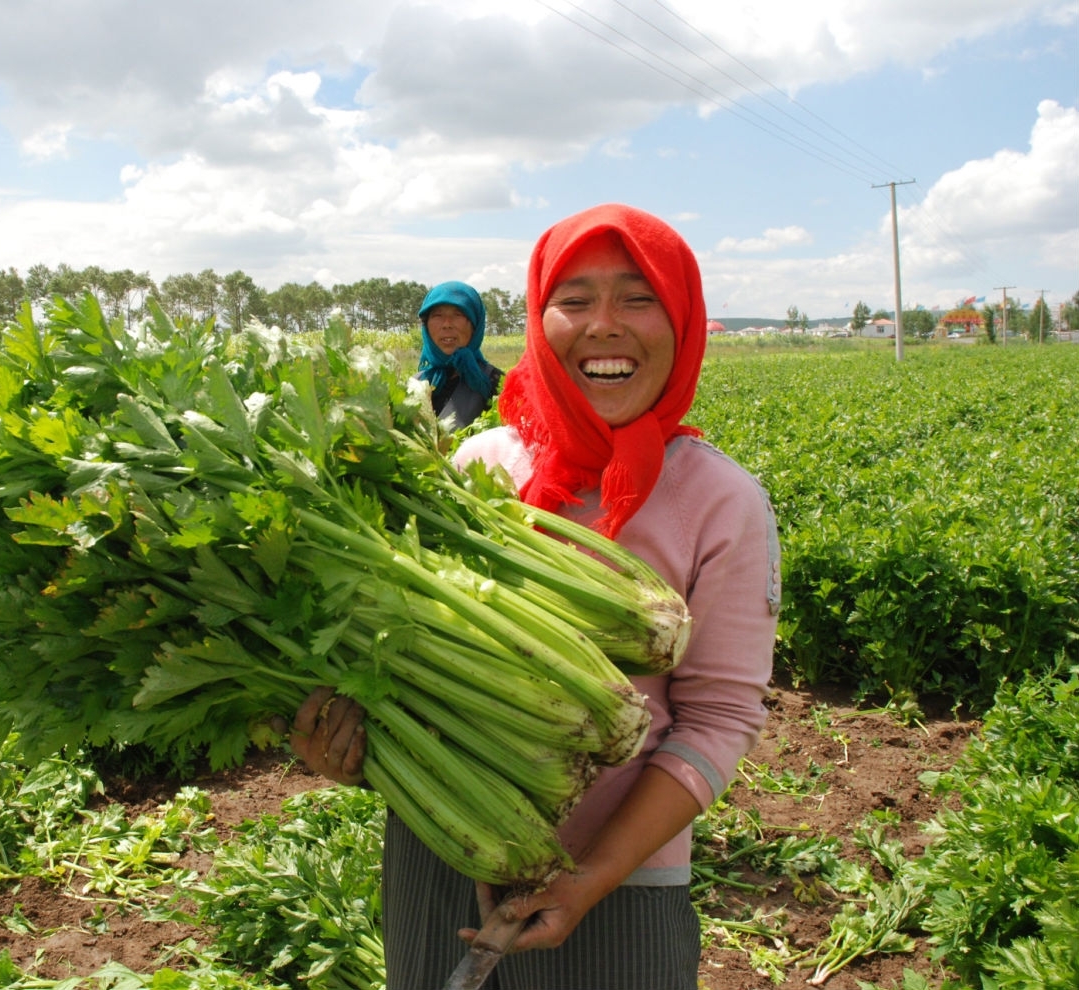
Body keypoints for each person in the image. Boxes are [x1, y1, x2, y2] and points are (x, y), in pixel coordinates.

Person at [291, 204, 780, 989]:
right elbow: (400, 662)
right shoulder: (477, 466)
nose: (604, 326)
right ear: (538, 316)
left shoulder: (720, 499)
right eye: (575, 300)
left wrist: (592, 876)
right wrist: (348, 748)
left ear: (684, 317)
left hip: (620, 879)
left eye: (639, 298)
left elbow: (721, 718)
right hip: (440, 842)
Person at [415, 280, 504, 429]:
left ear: (475, 325)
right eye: (437, 315)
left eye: (458, 314)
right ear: (426, 325)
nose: (447, 324)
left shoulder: (496, 383)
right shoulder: (415, 385)